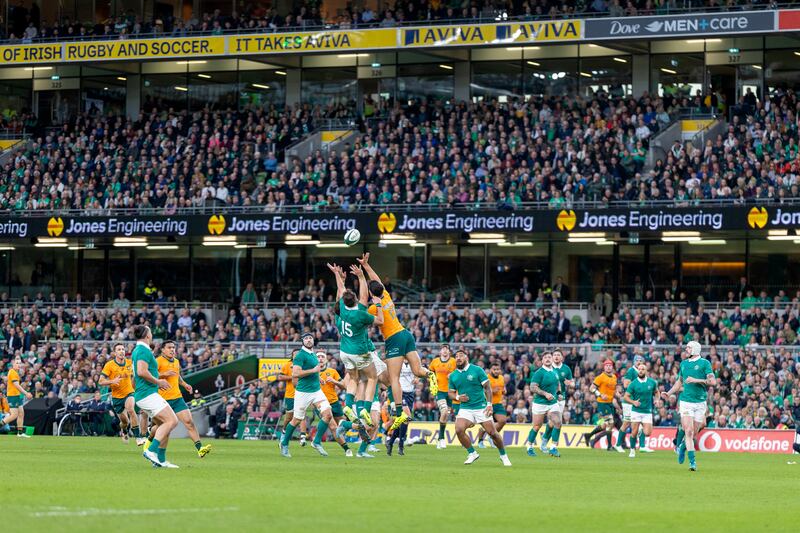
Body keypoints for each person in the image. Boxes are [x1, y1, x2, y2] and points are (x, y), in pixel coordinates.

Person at [357, 253, 438, 431]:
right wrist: (367, 266)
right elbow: (376, 281)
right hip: (406, 333)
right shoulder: (386, 296)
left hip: (393, 339)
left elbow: (363, 307)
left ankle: (400, 411)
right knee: (417, 371)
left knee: (393, 378)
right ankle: (431, 374)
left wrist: (361, 277)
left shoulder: (373, 307)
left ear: (371, 293)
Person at [327, 262, 383, 428]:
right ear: (355, 301)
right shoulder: (360, 315)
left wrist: (338, 275)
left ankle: (348, 406)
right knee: (373, 377)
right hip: (360, 351)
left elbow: (340, 293)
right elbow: (379, 319)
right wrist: (360, 276)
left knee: (353, 378)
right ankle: (365, 409)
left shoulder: (340, 311)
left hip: (344, 352)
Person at [280, 332, 349, 458]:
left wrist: (318, 378)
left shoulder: (312, 354)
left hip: (316, 391)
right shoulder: (300, 355)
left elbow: (315, 370)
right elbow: (295, 373)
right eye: (305, 338)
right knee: (296, 420)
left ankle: (316, 442)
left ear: (313, 340)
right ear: (302, 341)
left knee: (328, 415)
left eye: (310, 338)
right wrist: (313, 371)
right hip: (303, 392)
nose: (308, 340)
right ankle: (284, 443)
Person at [448, 350, 511, 466]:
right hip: (465, 408)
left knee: (493, 433)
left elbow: (487, 388)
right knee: (458, 429)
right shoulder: (453, 376)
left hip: (481, 407)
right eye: (456, 356)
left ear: (466, 357)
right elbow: (450, 393)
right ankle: (472, 453)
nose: (458, 358)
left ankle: (503, 455)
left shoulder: (477, 370)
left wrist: (489, 404)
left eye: (461, 355)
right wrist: (457, 397)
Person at [662, 341, 715, 471]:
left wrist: (696, 380)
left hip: (700, 403)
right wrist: (668, 393)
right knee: (689, 431)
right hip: (686, 402)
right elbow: (679, 383)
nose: (686, 349)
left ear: (696, 349)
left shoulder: (704, 363)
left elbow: (712, 381)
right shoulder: (683, 364)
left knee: (695, 431)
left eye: (689, 348)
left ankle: (682, 447)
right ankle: (692, 462)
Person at [132, 325, 179, 468]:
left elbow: (135, 377)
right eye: (150, 331)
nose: (151, 334)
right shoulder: (143, 350)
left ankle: (161, 460)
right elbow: (141, 371)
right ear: (147, 335)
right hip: (148, 394)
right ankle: (151, 451)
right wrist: (158, 381)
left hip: (145, 393)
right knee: (172, 421)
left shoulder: (139, 350)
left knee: (163, 425)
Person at [155, 340, 211, 458]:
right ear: (163, 350)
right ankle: (158, 455)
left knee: (189, 422)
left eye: (173, 347)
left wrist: (184, 384)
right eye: (169, 347)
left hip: (177, 398)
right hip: (163, 400)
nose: (172, 350)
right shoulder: (158, 361)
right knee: (165, 429)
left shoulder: (176, 361)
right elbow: (150, 375)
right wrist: (163, 374)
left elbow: (177, 376)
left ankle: (200, 449)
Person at [99, 342, 141, 444]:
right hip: (117, 397)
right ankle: (124, 430)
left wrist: (134, 386)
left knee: (131, 409)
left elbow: (136, 376)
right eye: (119, 349)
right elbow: (100, 381)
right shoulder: (109, 365)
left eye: (123, 349)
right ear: (114, 353)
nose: (122, 351)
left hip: (129, 393)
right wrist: (112, 381)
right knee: (124, 422)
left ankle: (138, 436)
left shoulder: (130, 363)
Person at [312, 351, 352, 457]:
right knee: (333, 427)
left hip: (334, 402)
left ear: (326, 360)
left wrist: (334, 381)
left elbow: (344, 386)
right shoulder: (312, 373)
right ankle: (347, 449)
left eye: (322, 357)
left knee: (343, 424)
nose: (320, 358)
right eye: (318, 356)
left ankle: (319, 441)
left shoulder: (332, 371)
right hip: (320, 404)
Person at [524, 351, 562, 458]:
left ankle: (553, 448)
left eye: (549, 357)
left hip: (552, 403)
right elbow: (532, 387)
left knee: (558, 422)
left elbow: (558, 384)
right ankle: (529, 447)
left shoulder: (554, 371)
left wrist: (558, 393)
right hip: (540, 403)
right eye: (545, 357)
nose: (548, 359)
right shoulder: (539, 373)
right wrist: (545, 394)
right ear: (542, 361)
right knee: (537, 426)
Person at [615, 355, 653, 453]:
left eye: (641, 361)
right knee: (627, 422)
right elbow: (626, 384)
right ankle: (618, 444)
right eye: (637, 361)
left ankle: (642, 446)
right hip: (629, 401)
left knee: (642, 423)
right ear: (634, 362)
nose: (639, 362)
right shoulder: (631, 371)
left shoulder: (642, 372)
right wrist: (637, 384)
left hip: (638, 402)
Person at [539, 349, 573, 453]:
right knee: (555, 421)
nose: (556, 357)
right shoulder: (548, 367)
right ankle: (551, 445)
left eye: (558, 355)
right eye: (554, 355)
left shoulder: (566, 369)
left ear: (562, 357)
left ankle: (545, 441)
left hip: (560, 398)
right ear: (552, 357)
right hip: (549, 398)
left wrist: (570, 384)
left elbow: (572, 383)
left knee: (552, 422)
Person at [623, 361, 658, 458]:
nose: (641, 371)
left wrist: (657, 400)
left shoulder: (652, 382)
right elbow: (626, 397)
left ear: (646, 371)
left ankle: (640, 430)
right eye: (639, 369)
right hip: (636, 411)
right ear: (638, 371)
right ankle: (632, 450)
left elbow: (657, 392)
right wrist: (633, 402)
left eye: (643, 369)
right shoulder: (633, 383)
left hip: (647, 411)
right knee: (633, 432)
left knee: (648, 433)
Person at [583, 359, 618, 449]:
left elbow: (613, 389)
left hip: (610, 403)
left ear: (612, 367)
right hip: (602, 403)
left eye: (610, 365)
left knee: (604, 425)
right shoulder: (600, 377)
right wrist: (600, 394)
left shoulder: (614, 377)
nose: (608, 367)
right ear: (604, 367)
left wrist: (617, 393)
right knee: (610, 423)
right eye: (606, 365)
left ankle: (589, 435)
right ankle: (609, 446)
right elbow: (591, 388)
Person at [276, 349, 308, 445]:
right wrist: (294, 376)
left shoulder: (304, 364)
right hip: (290, 395)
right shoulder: (287, 365)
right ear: (292, 356)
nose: (297, 356)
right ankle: (284, 434)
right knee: (288, 417)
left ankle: (302, 437)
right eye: (295, 354)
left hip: (302, 393)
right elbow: (280, 377)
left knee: (302, 415)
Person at [430, 344, 457, 449]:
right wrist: (432, 380)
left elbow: (461, 371)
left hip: (451, 392)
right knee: (444, 411)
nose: (445, 351)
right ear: (440, 352)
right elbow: (429, 372)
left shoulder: (454, 361)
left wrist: (453, 374)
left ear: (449, 352)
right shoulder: (435, 361)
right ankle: (441, 439)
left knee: (445, 416)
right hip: (440, 391)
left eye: (447, 349)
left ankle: (440, 438)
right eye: (443, 349)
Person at [386, 359, 415, 456]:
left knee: (403, 421)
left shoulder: (413, 361)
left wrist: (417, 379)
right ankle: (401, 445)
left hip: (410, 393)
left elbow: (418, 374)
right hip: (400, 392)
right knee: (407, 417)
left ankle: (391, 442)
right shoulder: (397, 362)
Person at [477, 361, 507, 449]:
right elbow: (481, 390)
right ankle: (480, 441)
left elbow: (502, 387)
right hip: (487, 404)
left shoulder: (501, 378)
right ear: (491, 370)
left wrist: (504, 391)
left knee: (502, 421)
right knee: (484, 425)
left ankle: (491, 437)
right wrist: (492, 391)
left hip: (498, 404)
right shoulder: (486, 378)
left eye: (498, 369)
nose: (496, 371)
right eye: (494, 369)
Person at [1, 357, 32, 438]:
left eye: (19, 363)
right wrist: (26, 393)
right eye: (17, 363)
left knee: (21, 413)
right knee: (14, 415)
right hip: (12, 396)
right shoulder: (12, 372)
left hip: (16, 395)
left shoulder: (15, 372)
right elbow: (16, 385)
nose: (18, 365)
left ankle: (20, 433)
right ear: (13, 364)